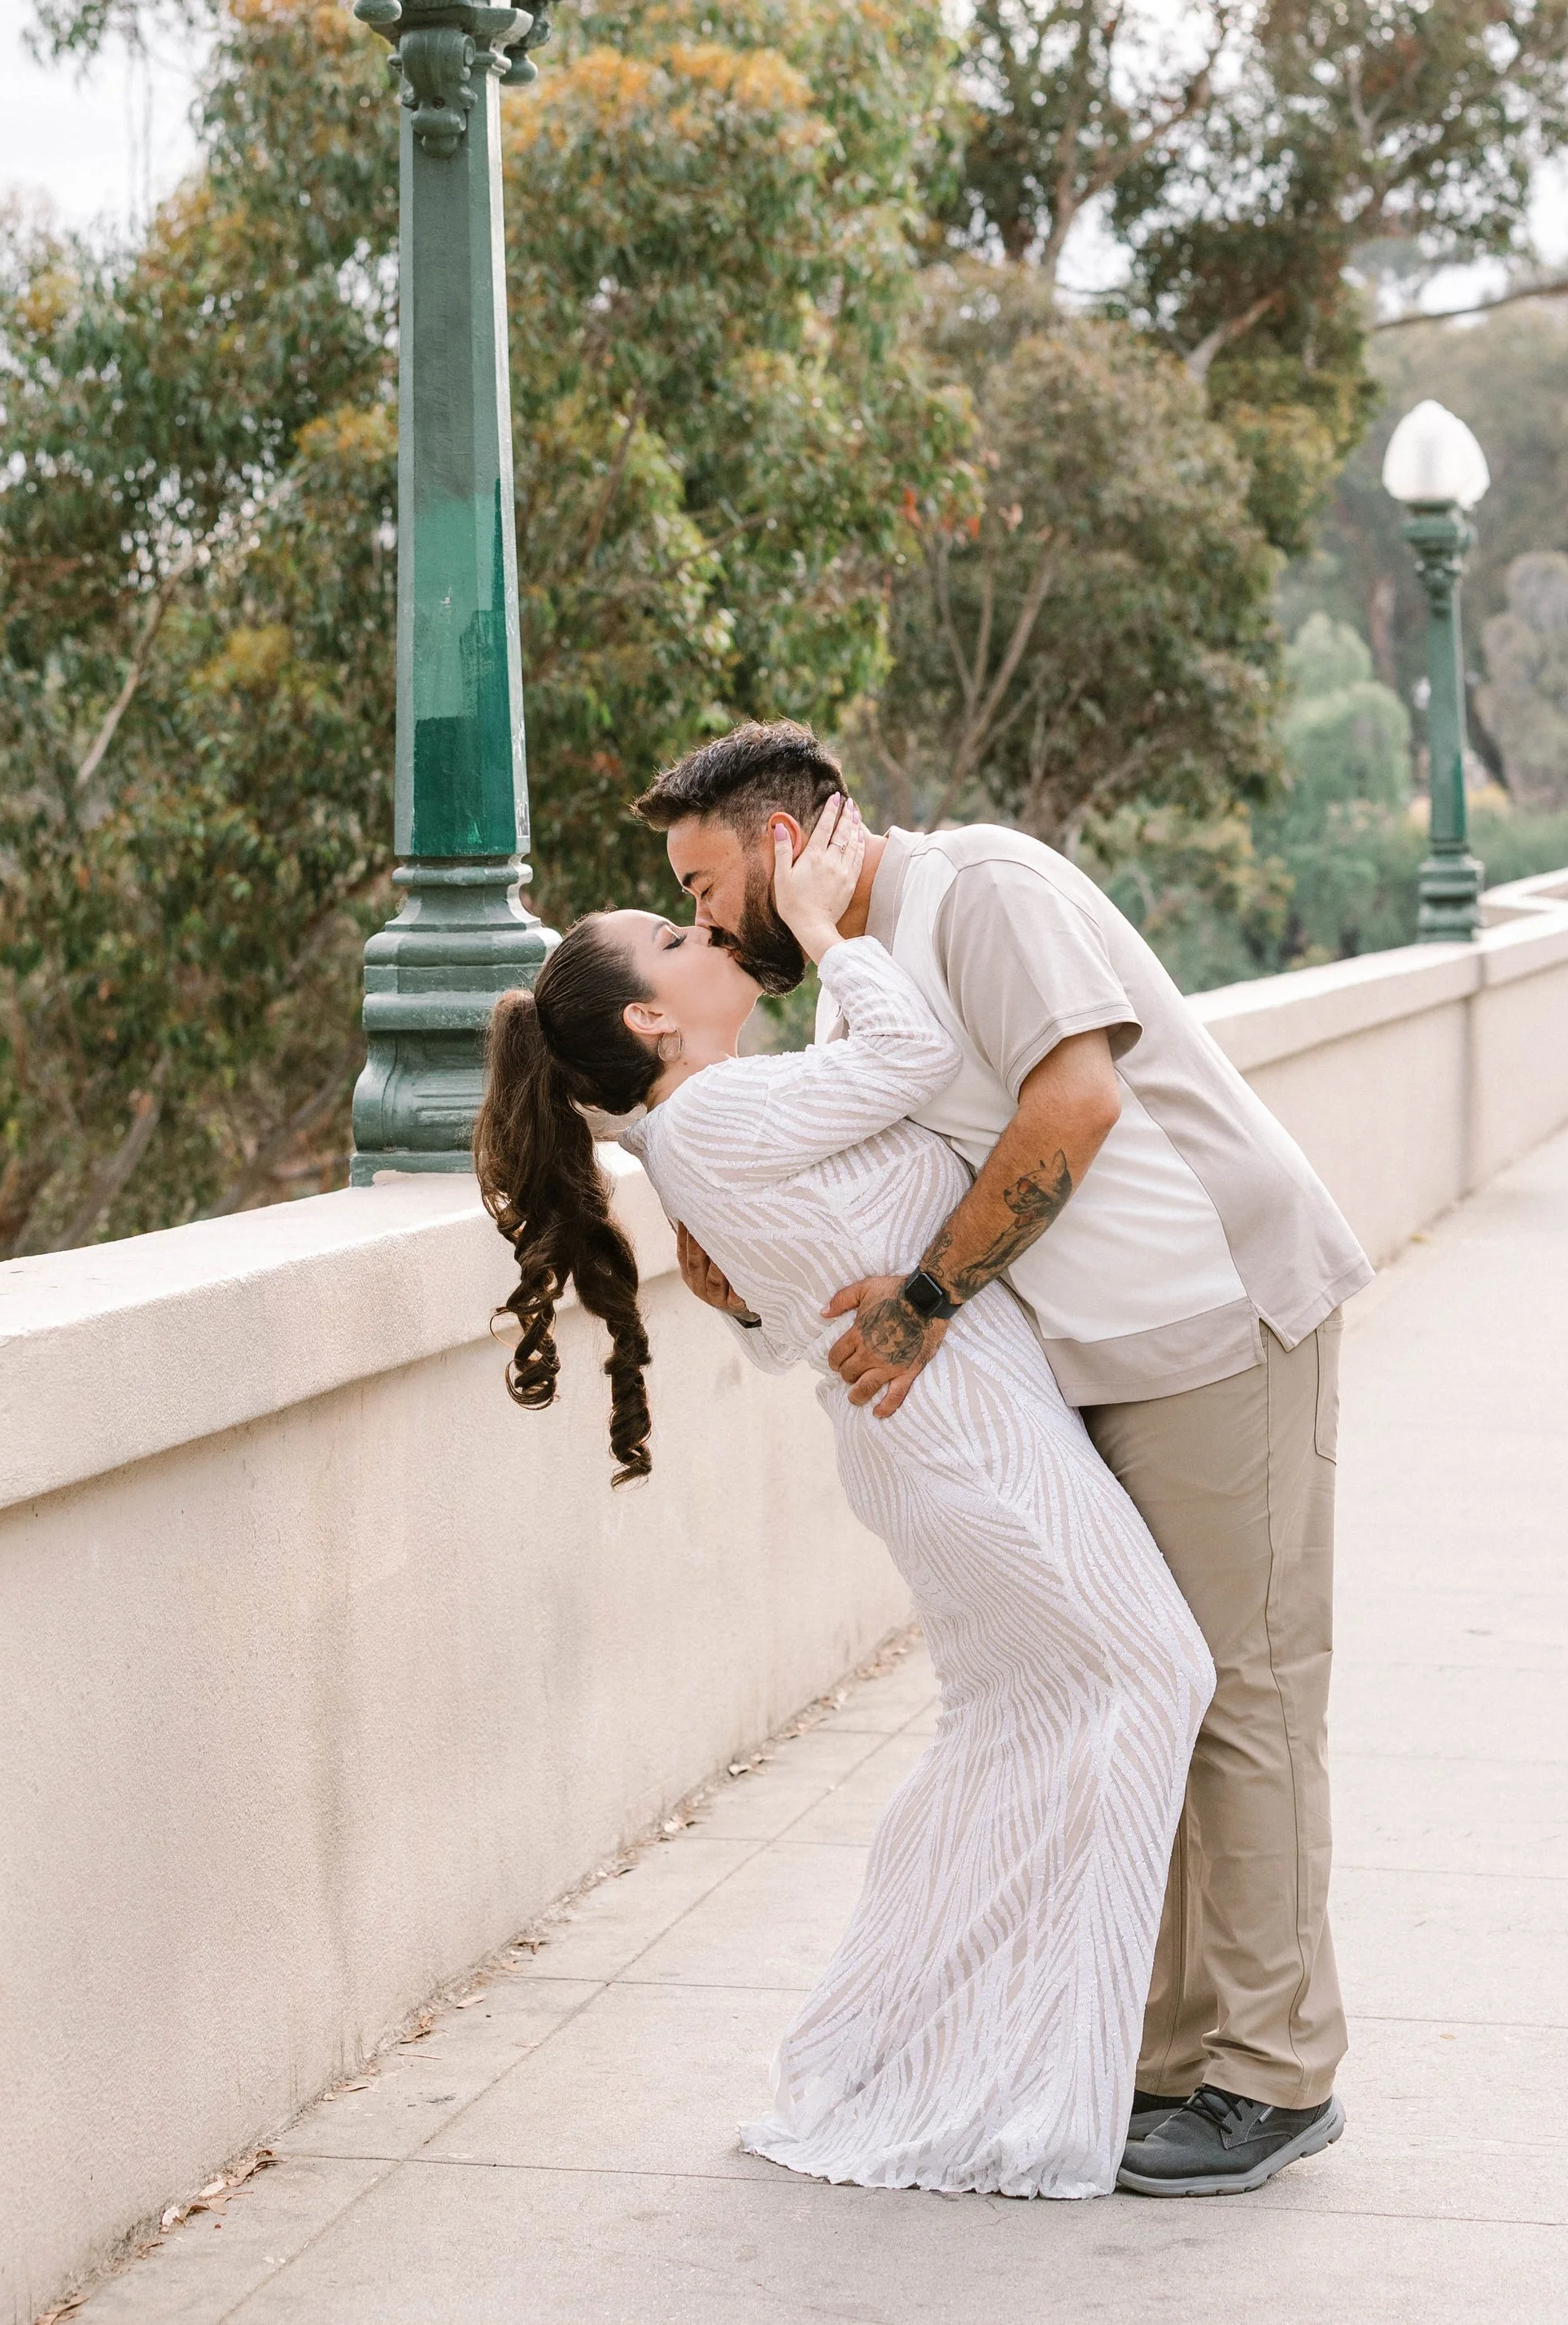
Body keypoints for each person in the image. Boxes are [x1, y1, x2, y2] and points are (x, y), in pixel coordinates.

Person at [639, 723, 1374, 2200]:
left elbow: (1076, 1104)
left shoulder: (982, 891)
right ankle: (1169, 2056)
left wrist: (922, 1305)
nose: (709, 922)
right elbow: (864, 1169)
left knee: (1243, 1696)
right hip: (1090, 1355)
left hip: (1214, 1317)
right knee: (1147, 1690)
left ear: (789, 844)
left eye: (708, 887)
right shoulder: (863, 995)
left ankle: (1273, 2075)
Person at [473, 794, 1212, 2200]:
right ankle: (1017, 2067)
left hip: (941, 1442)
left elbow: (774, 1317)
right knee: (1148, 1678)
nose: (699, 928)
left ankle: (923, 2043)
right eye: (670, 932)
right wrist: (820, 923)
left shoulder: (707, 1136)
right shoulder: (720, 1118)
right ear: (649, 1022)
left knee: (1018, 1731)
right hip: (969, 1442)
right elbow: (917, 1055)